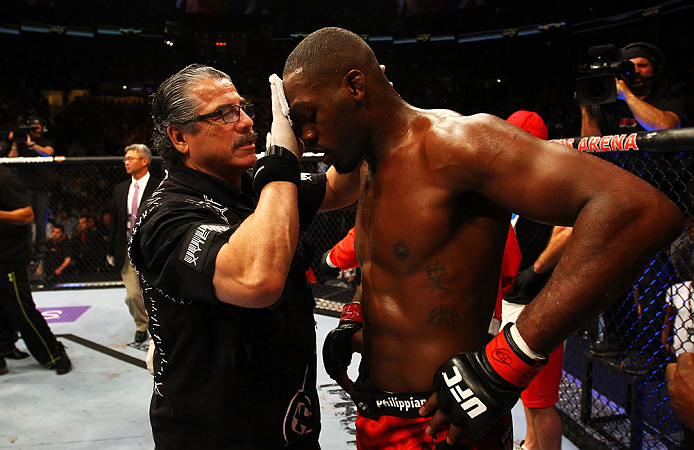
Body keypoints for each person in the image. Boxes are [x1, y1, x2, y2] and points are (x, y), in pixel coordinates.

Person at [281, 27, 683, 449]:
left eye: (309, 115)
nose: (305, 135)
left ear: (356, 86)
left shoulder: (456, 144)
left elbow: (639, 211)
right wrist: (356, 318)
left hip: (444, 429)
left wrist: (511, 359)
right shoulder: (368, 164)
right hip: (377, 416)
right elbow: (398, 270)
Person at [129, 64, 360, 449]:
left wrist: (355, 116)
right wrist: (282, 161)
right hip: (215, 434)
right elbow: (257, 280)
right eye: (224, 113)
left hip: (288, 420)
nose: (246, 122)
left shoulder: (252, 185)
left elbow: (341, 188)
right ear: (180, 137)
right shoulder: (165, 216)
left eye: (243, 108)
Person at [499, 111, 569, 450]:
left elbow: (567, 231)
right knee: (526, 392)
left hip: (541, 301)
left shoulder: (553, 181)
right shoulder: (518, 184)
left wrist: (537, 270)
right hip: (519, 299)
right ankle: (530, 444)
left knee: (541, 402)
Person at [0, 164, 71, 375]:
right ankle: (4, 347)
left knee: (21, 308)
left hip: (8, 257)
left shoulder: (4, 178)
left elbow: (27, 215)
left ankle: (53, 353)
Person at [107, 144, 161, 343]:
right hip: (127, 248)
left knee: (157, 291)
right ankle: (142, 324)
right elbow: (116, 221)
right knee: (131, 295)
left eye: (131, 158)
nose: (126, 162)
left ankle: (159, 323)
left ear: (144, 161)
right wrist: (111, 250)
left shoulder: (160, 186)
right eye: (125, 158)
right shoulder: (120, 189)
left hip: (153, 248)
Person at [580, 42, 688, 137]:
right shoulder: (608, 108)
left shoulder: (668, 104)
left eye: (642, 65)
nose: (636, 71)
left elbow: (666, 128)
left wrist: (626, 94)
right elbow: (591, 147)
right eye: (629, 67)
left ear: (653, 69)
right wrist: (586, 111)